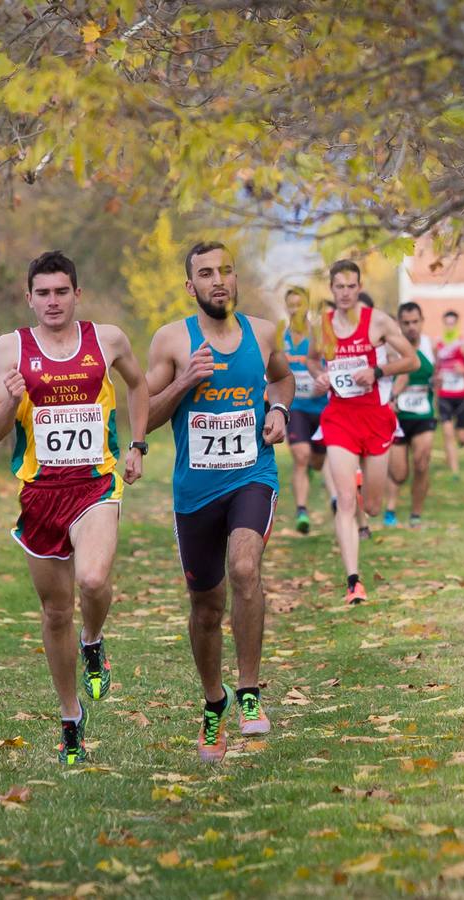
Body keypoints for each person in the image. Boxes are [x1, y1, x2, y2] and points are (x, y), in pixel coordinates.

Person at [0, 250, 148, 765]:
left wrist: (136, 444)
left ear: (77, 294)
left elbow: (140, 384)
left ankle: (94, 639)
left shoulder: (108, 339)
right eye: (42, 293)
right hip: (40, 494)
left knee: (93, 581)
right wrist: (10, 401)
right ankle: (70, 713)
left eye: (61, 292)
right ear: (28, 297)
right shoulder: (11, 348)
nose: (52, 302)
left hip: (96, 484)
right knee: (55, 612)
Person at [141, 241, 293, 762]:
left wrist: (279, 410)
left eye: (225, 270)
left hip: (253, 474)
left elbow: (283, 377)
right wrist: (185, 381)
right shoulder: (171, 340)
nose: (218, 280)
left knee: (245, 568)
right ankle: (214, 704)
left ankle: (249, 695)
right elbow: (146, 415)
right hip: (195, 491)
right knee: (206, 610)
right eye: (205, 273)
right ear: (191, 286)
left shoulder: (263, 332)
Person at [304, 261, 419, 604]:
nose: (345, 293)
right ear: (331, 288)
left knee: (370, 506)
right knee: (346, 503)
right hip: (339, 418)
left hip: (375, 418)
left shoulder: (378, 321)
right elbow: (312, 359)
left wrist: (378, 370)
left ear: (359, 286)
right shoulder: (322, 325)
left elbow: (412, 360)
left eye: (351, 286)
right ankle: (354, 582)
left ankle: (357, 485)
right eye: (338, 286)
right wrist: (320, 376)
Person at [382, 302, 440, 528]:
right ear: (399, 324)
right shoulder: (392, 347)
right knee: (399, 473)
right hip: (397, 417)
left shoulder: (430, 346)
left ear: (422, 321)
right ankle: (391, 505)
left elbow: (436, 375)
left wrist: (437, 383)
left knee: (422, 462)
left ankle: (415, 514)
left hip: (423, 415)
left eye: (415, 321)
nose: (411, 327)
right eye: (406, 323)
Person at [279, 287, 329, 535]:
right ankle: (301, 511)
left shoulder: (320, 336)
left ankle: (315, 468)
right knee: (301, 456)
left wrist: (325, 381)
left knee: (318, 461)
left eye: (300, 304)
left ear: (307, 307)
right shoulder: (280, 337)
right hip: (295, 406)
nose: (295, 309)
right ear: (286, 307)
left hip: (322, 407)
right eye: (291, 305)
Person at [432, 309, 464, 477]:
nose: (449, 326)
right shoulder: (437, 345)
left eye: (452, 323)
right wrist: (435, 378)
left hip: (461, 395)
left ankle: (459, 442)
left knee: (461, 437)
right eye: (446, 323)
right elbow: (433, 368)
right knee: (447, 433)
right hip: (444, 395)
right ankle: (455, 472)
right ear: (443, 324)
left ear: (457, 324)